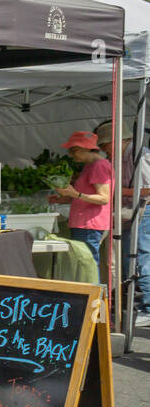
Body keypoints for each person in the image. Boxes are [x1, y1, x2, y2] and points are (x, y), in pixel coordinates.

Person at [95, 120, 150, 324]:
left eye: (104, 146)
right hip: (129, 211)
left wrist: (117, 191)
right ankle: (136, 304)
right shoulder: (119, 157)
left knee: (142, 258)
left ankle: (148, 307)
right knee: (129, 260)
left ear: (117, 141)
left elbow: (148, 189)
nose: (104, 151)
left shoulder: (140, 156)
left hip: (145, 210)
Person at [51, 130, 111, 273]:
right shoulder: (90, 166)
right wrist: (63, 198)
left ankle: (92, 294)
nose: (71, 155)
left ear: (86, 148)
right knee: (84, 264)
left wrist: (75, 194)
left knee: (87, 265)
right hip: (84, 223)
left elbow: (104, 198)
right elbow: (85, 194)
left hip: (89, 224)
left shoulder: (99, 166)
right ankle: (90, 293)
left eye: (74, 150)